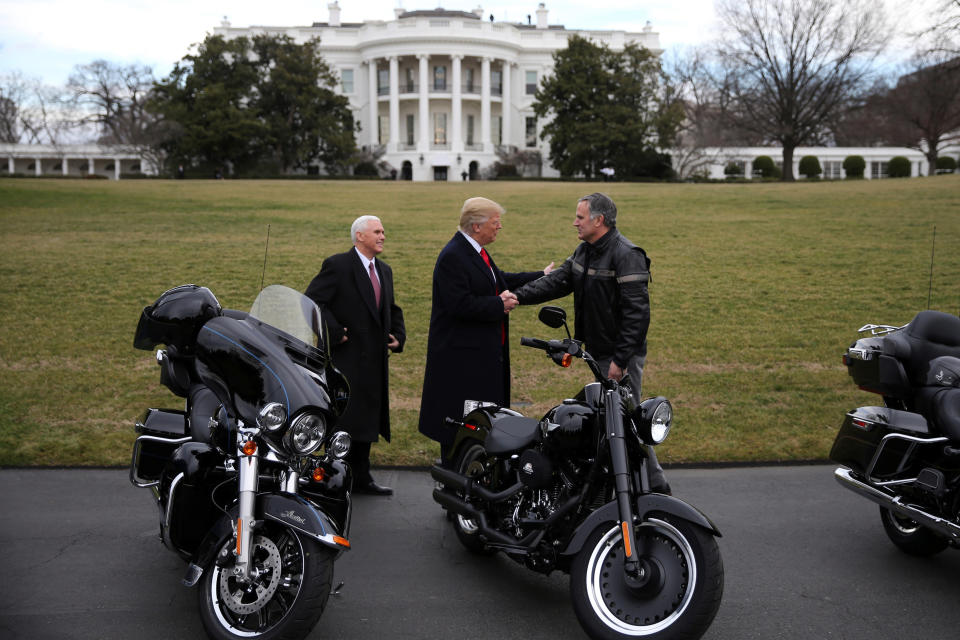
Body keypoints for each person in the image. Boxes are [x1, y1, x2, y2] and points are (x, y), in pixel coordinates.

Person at [512, 192, 669, 493]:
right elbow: (558, 281)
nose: (575, 223)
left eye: (580, 218)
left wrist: (620, 362)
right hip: (598, 353)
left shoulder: (627, 255)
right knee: (605, 416)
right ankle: (605, 484)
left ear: (599, 220)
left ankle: (656, 489)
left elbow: (637, 317)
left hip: (620, 357)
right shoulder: (585, 251)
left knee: (627, 422)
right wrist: (518, 296)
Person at [418, 197, 553, 464]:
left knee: (479, 426)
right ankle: (454, 490)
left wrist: (542, 276)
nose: (500, 227)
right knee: (459, 429)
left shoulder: (473, 250)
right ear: (477, 226)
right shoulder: (453, 256)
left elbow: (500, 279)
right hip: (462, 363)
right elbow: (458, 304)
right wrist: (498, 304)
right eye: (495, 222)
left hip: (479, 359)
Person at [305, 215, 406, 495]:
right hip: (346, 360)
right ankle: (331, 478)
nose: (383, 236)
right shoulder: (338, 265)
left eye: (384, 231)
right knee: (345, 420)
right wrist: (335, 332)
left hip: (375, 361)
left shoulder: (384, 270)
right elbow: (312, 302)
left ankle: (362, 477)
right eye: (377, 231)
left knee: (367, 420)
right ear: (360, 236)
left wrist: (399, 336)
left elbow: (391, 309)